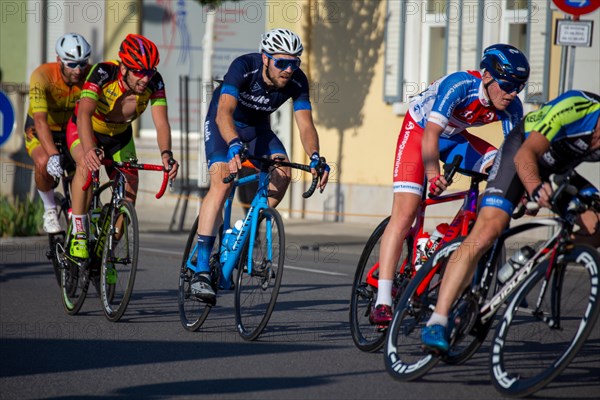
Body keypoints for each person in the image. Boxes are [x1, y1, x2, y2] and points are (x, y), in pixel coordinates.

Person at [421, 90, 600, 353]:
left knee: (596, 228)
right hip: (520, 153)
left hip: (557, 171)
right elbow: (525, 155)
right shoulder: (578, 107)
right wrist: (534, 188)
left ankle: (535, 255)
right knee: (487, 232)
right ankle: (437, 320)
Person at [370, 44, 530, 326]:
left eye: (519, 87)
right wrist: (433, 176)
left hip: (455, 136)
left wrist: (525, 191)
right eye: (507, 85)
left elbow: (515, 155)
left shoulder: (512, 106)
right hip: (419, 131)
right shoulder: (461, 85)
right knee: (406, 211)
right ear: (487, 77)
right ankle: (382, 300)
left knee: (496, 165)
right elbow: (431, 133)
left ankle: (446, 237)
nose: (512, 93)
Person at [190, 28, 330, 302]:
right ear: (266, 58)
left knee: (283, 171)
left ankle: (243, 230)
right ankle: (202, 268)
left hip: (257, 130)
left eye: (295, 62)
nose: (289, 69)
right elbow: (224, 113)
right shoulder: (244, 67)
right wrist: (232, 145)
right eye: (282, 62)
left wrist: (315, 157)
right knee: (221, 183)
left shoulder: (297, 81)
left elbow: (305, 125)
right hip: (224, 127)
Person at [66, 33, 179, 258]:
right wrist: (89, 149)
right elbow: (85, 114)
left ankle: (106, 254)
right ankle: (78, 235)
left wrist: (166, 154)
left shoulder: (155, 82)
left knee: (130, 190)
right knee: (85, 166)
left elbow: (161, 123)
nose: (145, 79)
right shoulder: (102, 73)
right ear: (124, 68)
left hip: (120, 136)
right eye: (139, 72)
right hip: (86, 128)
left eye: (149, 71)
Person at [25, 33, 92, 233]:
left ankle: (78, 211)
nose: (78, 70)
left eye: (82, 63)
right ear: (59, 60)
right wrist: (54, 155)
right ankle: (50, 209)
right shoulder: (42, 75)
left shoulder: (90, 74)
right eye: (71, 64)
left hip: (72, 130)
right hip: (42, 128)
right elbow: (40, 120)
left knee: (84, 168)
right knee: (44, 162)